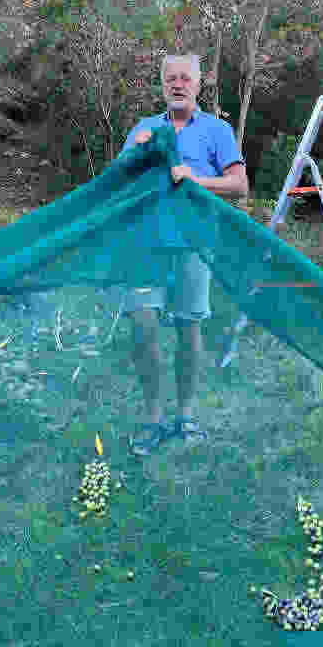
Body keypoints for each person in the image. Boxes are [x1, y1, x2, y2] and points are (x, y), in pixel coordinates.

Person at [116, 53, 248, 456]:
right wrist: (136, 154)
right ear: (162, 85)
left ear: (198, 85)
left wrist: (196, 180)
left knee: (189, 331)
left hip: (193, 246)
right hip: (146, 246)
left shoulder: (217, 130)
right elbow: (118, 180)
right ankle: (154, 419)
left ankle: (185, 416)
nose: (177, 84)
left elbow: (239, 185)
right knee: (143, 327)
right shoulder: (144, 129)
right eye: (170, 78)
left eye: (185, 78)